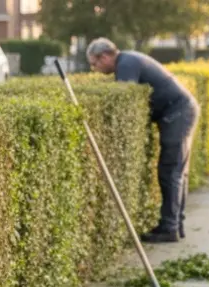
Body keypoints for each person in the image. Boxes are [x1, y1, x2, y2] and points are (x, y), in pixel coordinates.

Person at [85, 38, 199, 244]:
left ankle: (170, 228)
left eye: (95, 63)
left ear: (105, 56)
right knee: (177, 172)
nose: (95, 69)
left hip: (177, 113)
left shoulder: (126, 64)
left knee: (170, 171)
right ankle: (174, 224)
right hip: (180, 111)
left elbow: (123, 98)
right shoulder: (129, 59)